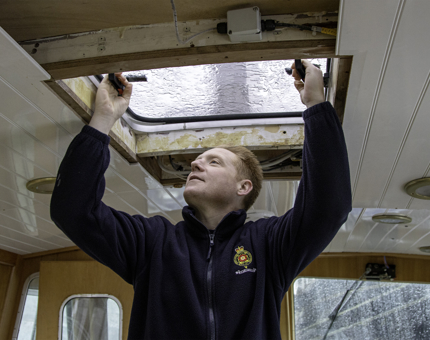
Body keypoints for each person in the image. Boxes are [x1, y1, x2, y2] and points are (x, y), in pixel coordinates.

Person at [51, 60, 352, 339]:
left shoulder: (269, 246)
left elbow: (328, 207)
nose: (195, 165)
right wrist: (103, 118)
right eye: (198, 160)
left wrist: (315, 104)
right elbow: (73, 210)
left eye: (214, 162)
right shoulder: (152, 243)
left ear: (243, 187)